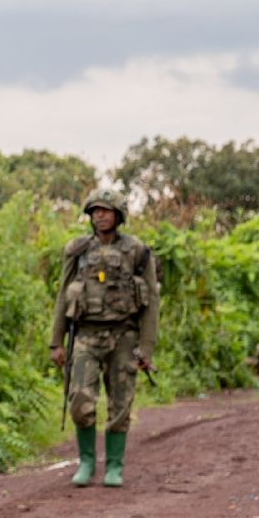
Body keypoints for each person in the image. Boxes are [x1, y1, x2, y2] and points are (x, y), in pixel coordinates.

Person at [49, 190, 159, 487]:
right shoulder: (78, 249)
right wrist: (56, 341)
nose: (100, 215)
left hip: (124, 336)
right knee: (80, 400)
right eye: (95, 210)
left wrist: (146, 348)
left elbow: (151, 303)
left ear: (119, 214)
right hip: (85, 335)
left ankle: (114, 466)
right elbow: (63, 294)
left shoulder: (138, 251)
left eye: (106, 210)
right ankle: (86, 462)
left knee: (120, 403)